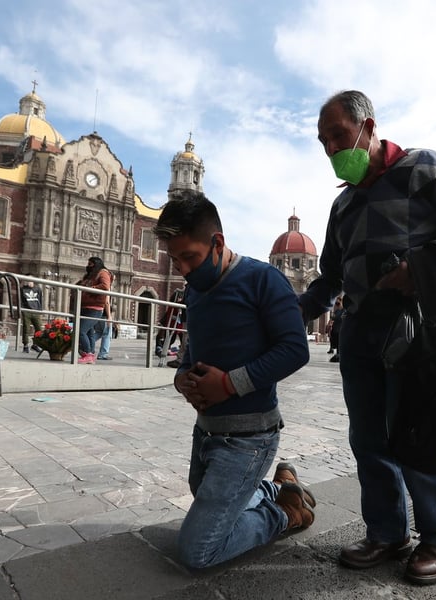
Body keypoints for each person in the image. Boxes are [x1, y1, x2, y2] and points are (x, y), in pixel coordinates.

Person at [299, 90, 436, 586]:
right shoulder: (343, 204)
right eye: (323, 142)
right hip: (362, 332)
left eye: (338, 136)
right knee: (368, 439)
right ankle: (386, 532)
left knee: (422, 430)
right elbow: (328, 279)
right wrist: (288, 316)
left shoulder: (425, 167)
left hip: (418, 327)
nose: (331, 149)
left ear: (368, 126)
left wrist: (424, 265)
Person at [153, 190, 312, 569]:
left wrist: (228, 384)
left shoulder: (263, 279)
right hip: (206, 432)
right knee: (204, 494)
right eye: (174, 260)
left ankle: (286, 513)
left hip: (249, 438)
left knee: (198, 551)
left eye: (189, 257)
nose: (184, 270)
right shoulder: (196, 291)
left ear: (217, 242)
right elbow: (193, 352)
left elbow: (295, 349)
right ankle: (277, 488)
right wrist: (182, 378)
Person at [75, 257, 113, 364]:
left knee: (80, 331)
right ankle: (90, 354)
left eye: (90, 264)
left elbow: (105, 286)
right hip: (86, 306)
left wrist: (90, 289)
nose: (88, 266)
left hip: (95, 308)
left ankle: (87, 353)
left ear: (96, 264)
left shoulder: (102, 273)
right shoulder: (90, 275)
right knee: (90, 332)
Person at [18, 276, 44, 353]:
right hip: (27, 311)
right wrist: (22, 310)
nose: (28, 282)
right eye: (27, 280)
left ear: (33, 281)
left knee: (39, 328)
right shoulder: (23, 289)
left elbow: (40, 299)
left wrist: (40, 310)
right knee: (26, 329)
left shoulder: (38, 289)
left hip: (36, 311)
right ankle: (25, 345)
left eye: (30, 280)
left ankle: (35, 345)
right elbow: (21, 300)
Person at [328, 297, 345, 362]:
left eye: (338, 303)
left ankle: (339, 354)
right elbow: (332, 319)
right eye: (336, 303)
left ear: (341, 302)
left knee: (339, 342)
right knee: (335, 341)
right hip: (335, 329)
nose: (337, 304)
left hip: (340, 329)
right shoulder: (336, 311)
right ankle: (337, 353)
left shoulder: (344, 310)